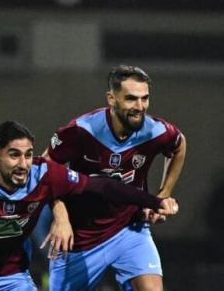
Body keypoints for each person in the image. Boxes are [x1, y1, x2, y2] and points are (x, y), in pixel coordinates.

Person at [0, 120, 179, 291]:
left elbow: (102, 186)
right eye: (14, 155)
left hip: (10, 275)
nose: (23, 164)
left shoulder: (43, 173)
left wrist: (156, 201)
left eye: (27, 155)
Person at [45, 65, 187, 291]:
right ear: (111, 98)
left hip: (129, 230)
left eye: (145, 99)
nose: (139, 107)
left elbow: (179, 146)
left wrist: (164, 194)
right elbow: (44, 170)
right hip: (80, 237)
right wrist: (61, 218)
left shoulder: (155, 131)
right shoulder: (81, 130)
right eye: (131, 99)